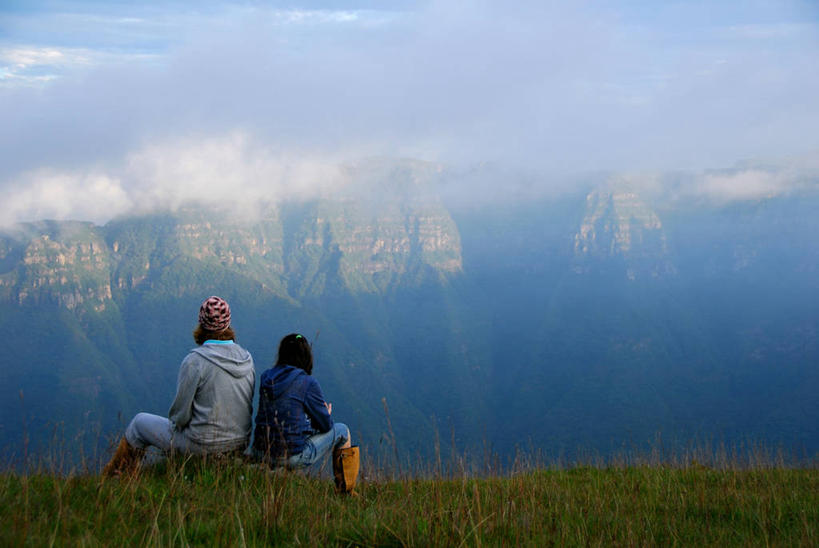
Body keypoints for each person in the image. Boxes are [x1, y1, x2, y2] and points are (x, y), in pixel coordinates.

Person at [103, 296, 256, 476]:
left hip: (201, 446)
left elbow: (180, 417)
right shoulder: (247, 359)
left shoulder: (195, 361)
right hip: (239, 444)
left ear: (201, 324)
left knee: (138, 423)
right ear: (228, 323)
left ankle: (116, 476)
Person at [252, 333, 359, 493]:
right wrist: (326, 414)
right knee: (342, 431)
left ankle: (273, 474)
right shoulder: (307, 382)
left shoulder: (266, 377)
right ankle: (346, 490)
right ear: (306, 356)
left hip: (260, 452)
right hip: (291, 456)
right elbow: (326, 426)